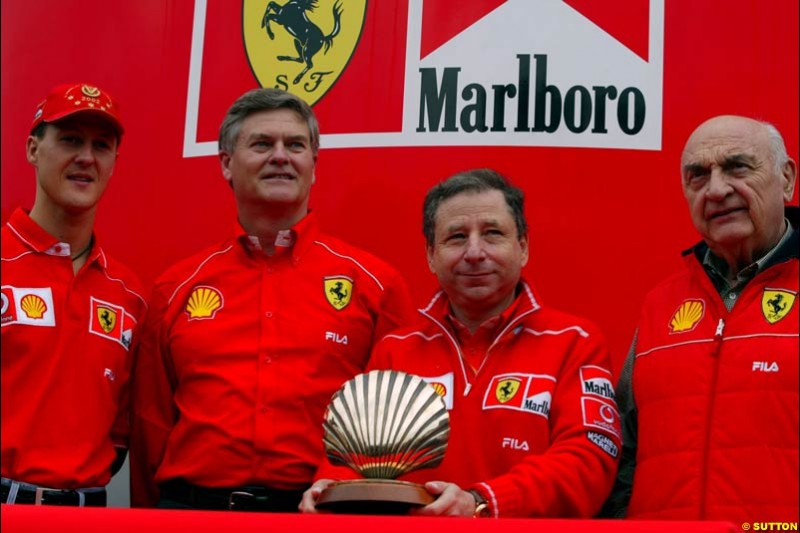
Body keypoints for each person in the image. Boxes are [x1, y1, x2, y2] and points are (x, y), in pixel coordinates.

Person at [129, 88, 415, 511]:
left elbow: (396, 421)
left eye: (295, 145)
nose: (280, 156)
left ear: (313, 166)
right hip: (194, 511)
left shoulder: (376, 286)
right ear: (227, 164)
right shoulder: (175, 287)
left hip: (321, 513)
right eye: (262, 144)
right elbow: (150, 426)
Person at [301, 169, 622, 517]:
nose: (474, 252)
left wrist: (481, 502)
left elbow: (590, 459)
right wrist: (328, 488)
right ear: (430, 255)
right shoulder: (395, 350)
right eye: (456, 237)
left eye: (492, 234)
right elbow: (353, 457)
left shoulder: (575, 342)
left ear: (523, 247)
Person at [601, 115, 798, 522]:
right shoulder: (660, 304)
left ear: (786, 179)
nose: (717, 189)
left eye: (737, 167)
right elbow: (623, 449)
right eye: (698, 175)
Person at [1, 83, 147, 506]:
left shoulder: (129, 294)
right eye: (69, 140)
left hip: (87, 513)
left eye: (101, 145)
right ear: (33, 149)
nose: (86, 157)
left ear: (114, 162)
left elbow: (121, 430)